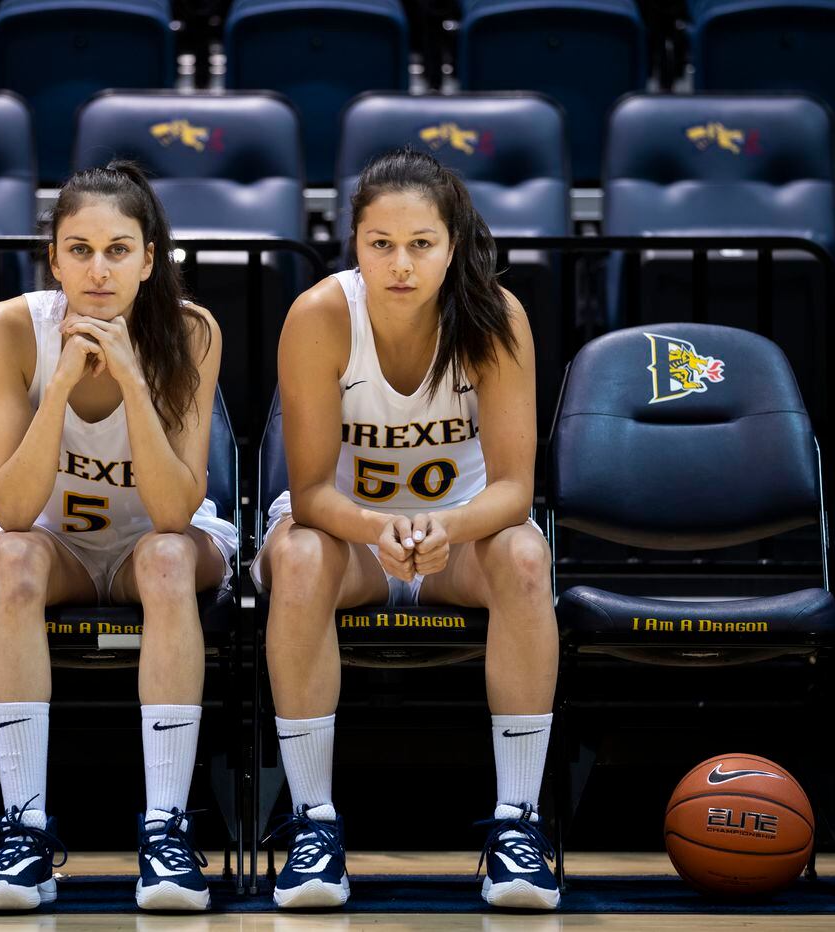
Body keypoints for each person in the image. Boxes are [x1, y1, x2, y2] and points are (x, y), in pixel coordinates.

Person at [252, 147, 560, 910]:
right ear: (354, 245)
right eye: (380, 243)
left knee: (527, 555)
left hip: (461, 540)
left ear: (452, 245)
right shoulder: (320, 316)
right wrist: (375, 529)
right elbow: (308, 491)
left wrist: (444, 528)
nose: (400, 264)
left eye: (421, 243)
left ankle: (518, 825)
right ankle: (313, 825)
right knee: (298, 556)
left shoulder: (496, 317)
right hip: (349, 540)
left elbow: (515, 489)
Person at [0, 161, 236, 913]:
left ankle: (167, 830)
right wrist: (60, 386)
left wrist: (133, 380)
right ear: (53, 259)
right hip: (58, 547)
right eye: (79, 250)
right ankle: (24, 832)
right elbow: (14, 508)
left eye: (118, 250)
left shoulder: (191, 331)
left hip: (155, 543)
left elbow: (174, 510)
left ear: (150, 260)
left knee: (169, 557)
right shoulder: (10, 327)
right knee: (12, 557)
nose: (99, 270)